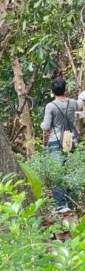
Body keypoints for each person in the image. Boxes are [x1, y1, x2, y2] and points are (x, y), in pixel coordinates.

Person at [40, 77, 84, 214]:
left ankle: (61, 205)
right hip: (70, 140)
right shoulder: (72, 103)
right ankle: (73, 202)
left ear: (53, 91)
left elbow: (46, 127)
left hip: (56, 142)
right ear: (65, 89)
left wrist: (43, 124)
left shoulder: (51, 106)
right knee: (71, 170)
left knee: (57, 172)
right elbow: (80, 103)